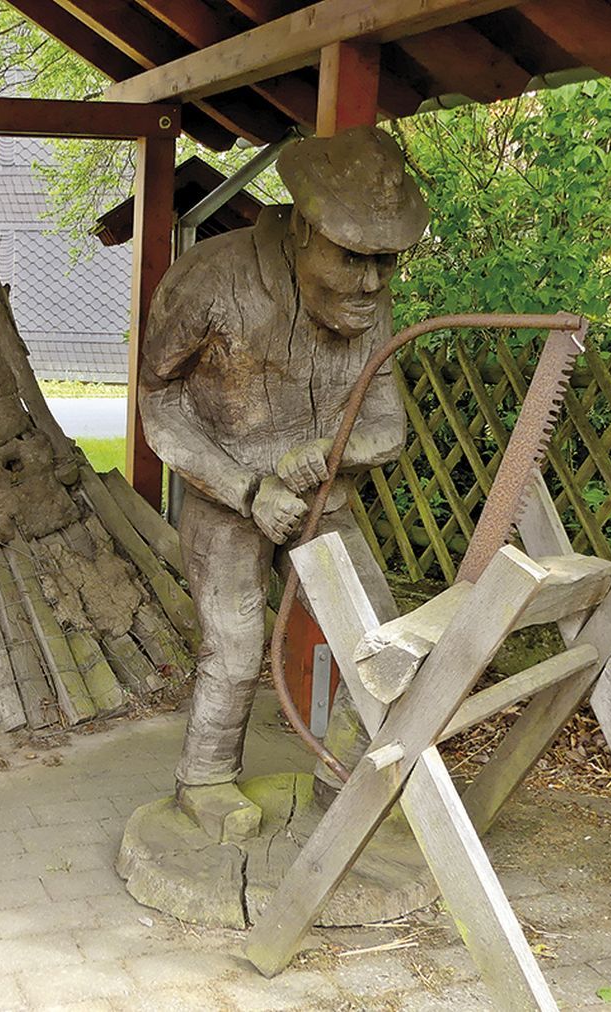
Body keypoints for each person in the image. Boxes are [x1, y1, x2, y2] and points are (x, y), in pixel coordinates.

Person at [138, 125, 430, 839]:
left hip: (324, 501)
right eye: (353, 257)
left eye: (386, 260)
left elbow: (389, 426)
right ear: (303, 230)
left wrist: (333, 450)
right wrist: (245, 487)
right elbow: (158, 403)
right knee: (236, 646)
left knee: (380, 642)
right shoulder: (211, 280)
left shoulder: (370, 307)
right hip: (227, 498)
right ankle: (205, 779)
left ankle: (350, 776)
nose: (371, 282)